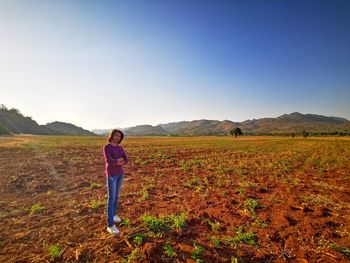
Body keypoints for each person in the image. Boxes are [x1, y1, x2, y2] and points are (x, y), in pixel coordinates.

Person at [102, 129, 128, 235]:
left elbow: (126, 159)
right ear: (112, 136)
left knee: (116, 197)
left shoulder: (120, 147)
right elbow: (109, 161)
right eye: (116, 135)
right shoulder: (107, 147)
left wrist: (119, 161)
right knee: (111, 198)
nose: (117, 137)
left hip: (120, 174)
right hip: (112, 175)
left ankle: (113, 215)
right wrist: (119, 161)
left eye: (119, 136)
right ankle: (110, 225)